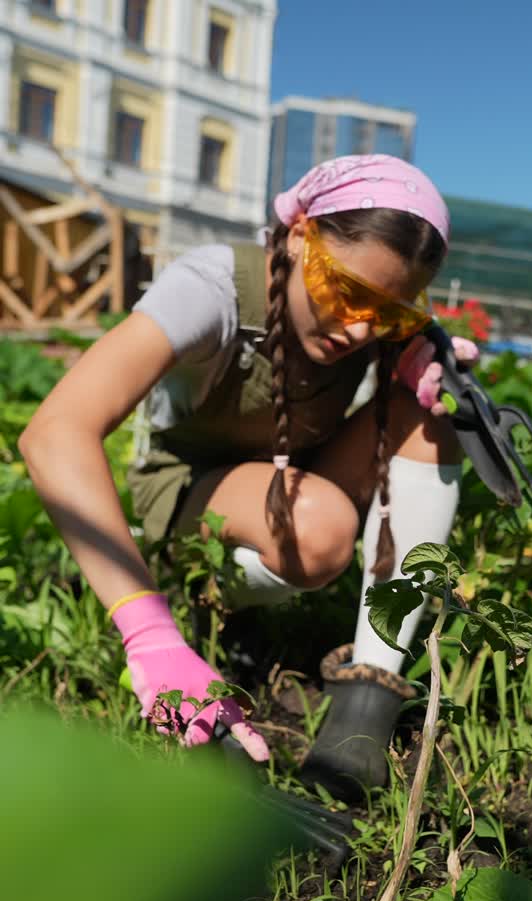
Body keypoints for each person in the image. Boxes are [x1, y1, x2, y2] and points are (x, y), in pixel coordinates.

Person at [19, 154, 477, 798]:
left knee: (430, 414)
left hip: (289, 474)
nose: (358, 328)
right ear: (299, 235)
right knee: (320, 529)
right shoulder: (211, 288)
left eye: (389, 313)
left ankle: (367, 705)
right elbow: (54, 432)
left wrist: (429, 364)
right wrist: (150, 637)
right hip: (186, 488)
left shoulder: (366, 314)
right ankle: (198, 602)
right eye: (345, 293)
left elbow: (397, 354)